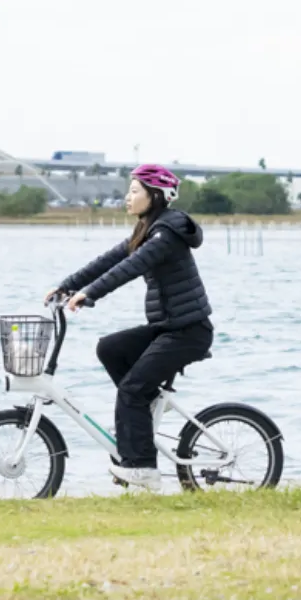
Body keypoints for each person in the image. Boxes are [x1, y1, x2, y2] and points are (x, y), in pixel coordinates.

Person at [45, 164, 213, 491]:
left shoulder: (167, 233)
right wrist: (66, 286)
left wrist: (90, 294)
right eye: (130, 190)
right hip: (169, 327)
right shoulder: (147, 228)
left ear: (156, 196)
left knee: (131, 390)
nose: (128, 197)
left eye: (135, 191)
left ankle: (143, 468)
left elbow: (130, 268)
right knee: (110, 349)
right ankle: (143, 413)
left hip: (188, 331)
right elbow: (108, 260)